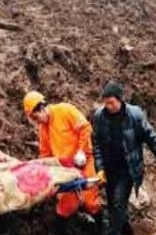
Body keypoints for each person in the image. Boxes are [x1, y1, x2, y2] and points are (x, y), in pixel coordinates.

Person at [92, 80, 156, 235]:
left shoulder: (135, 115)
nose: (108, 106)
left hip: (128, 168)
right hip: (110, 169)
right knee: (114, 205)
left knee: (117, 203)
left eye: (111, 103)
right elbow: (96, 144)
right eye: (106, 103)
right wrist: (100, 168)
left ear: (120, 100)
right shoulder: (99, 117)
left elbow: (152, 138)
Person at [23, 91, 103, 235]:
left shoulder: (64, 110)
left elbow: (85, 128)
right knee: (64, 207)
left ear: (41, 108)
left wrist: (80, 150)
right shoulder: (43, 129)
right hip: (65, 171)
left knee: (91, 202)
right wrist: (44, 173)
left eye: (36, 117)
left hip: (83, 163)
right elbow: (45, 154)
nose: (37, 121)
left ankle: (104, 229)